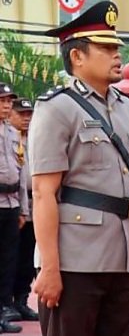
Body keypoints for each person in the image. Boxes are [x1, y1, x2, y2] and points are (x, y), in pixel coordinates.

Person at [31, 1, 129, 336]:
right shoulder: (57, 108)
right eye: (106, 48)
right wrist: (50, 267)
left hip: (118, 254)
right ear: (77, 56)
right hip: (74, 258)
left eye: (116, 47)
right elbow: (44, 192)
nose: (116, 54)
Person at [7, 98, 39, 323]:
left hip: (35, 203)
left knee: (27, 256)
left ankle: (21, 300)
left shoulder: (36, 138)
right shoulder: (8, 138)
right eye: (21, 114)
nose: (26, 118)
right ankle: (6, 302)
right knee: (10, 256)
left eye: (29, 114)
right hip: (12, 202)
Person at [0, 84, 26, 334]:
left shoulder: (13, 133)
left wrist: (23, 209)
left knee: (8, 260)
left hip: (11, 203)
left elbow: (22, 173)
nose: (7, 105)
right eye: (2, 101)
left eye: (9, 101)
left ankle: (4, 309)